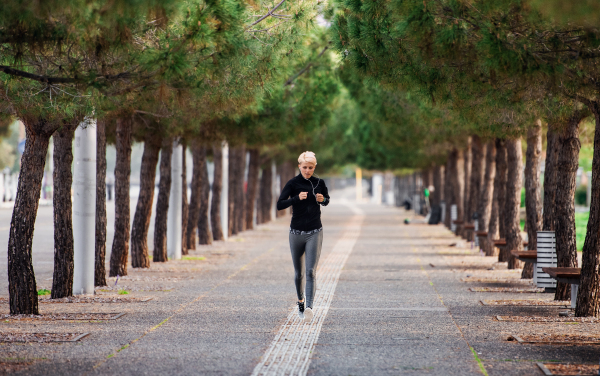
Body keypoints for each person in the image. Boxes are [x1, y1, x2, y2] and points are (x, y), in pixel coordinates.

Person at [277, 151, 330, 322]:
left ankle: (309, 308)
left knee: (311, 272)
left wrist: (322, 199)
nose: (308, 171)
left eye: (311, 168)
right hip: (296, 233)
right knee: (299, 273)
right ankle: (300, 301)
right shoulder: (293, 183)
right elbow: (280, 204)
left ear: (315, 167)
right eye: (305, 167)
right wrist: (295, 199)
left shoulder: (319, 182)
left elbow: (327, 200)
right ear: (299, 166)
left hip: (315, 232)